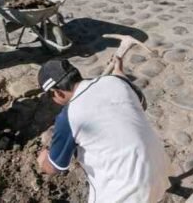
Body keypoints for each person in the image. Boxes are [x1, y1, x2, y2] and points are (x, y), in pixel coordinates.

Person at [36, 58, 170, 203]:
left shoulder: (69, 116)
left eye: (50, 97)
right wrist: (119, 73)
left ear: (57, 93)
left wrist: (43, 160)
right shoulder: (116, 81)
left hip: (127, 193)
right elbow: (141, 104)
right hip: (160, 174)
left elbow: (54, 168)